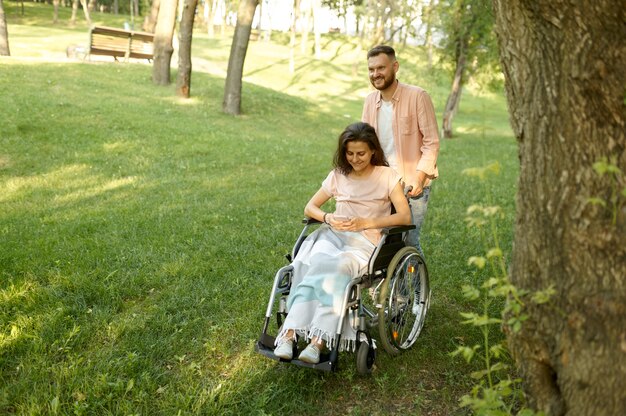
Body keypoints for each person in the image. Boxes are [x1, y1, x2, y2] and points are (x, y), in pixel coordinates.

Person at [273, 122, 411, 364]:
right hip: (332, 235)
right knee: (310, 262)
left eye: (361, 154)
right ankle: (290, 334)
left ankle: (318, 341)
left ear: (373, 152)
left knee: (336, 268)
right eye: (349, 153)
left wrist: (366, 222)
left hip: (365, 241)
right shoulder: (338, 175)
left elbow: (404, 216)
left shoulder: (386, 176)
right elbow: (310, 207)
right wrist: (328, 217)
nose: (355, 159)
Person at [362, 45, 440, 258]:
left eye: (381, 68)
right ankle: (391, 288)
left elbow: (431, 142)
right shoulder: (370, 101)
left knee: (408, 242)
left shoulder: (418, 96)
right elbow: (364, 144)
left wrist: (420, 177)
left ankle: (415, 290)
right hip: (381, 185)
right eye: (371, 69)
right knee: (381, 240)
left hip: (412, 185)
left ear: (395, 67)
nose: (375, 74)